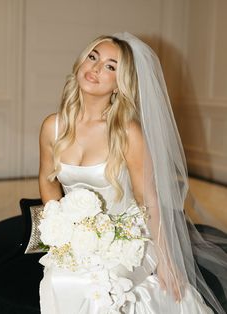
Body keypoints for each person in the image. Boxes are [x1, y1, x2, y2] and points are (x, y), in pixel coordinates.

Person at [38, 32, 225, 313]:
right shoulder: (52, 126)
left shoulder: (127, 133)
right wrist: (58, 230)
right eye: (93, 57)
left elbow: (148, 199)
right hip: (77, 239)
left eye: (110, 66)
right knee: (58, 279)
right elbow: (47, 179)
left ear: (119, 84)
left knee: (96, 288)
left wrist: (164, 258)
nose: (96, 68)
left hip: (128, 241)